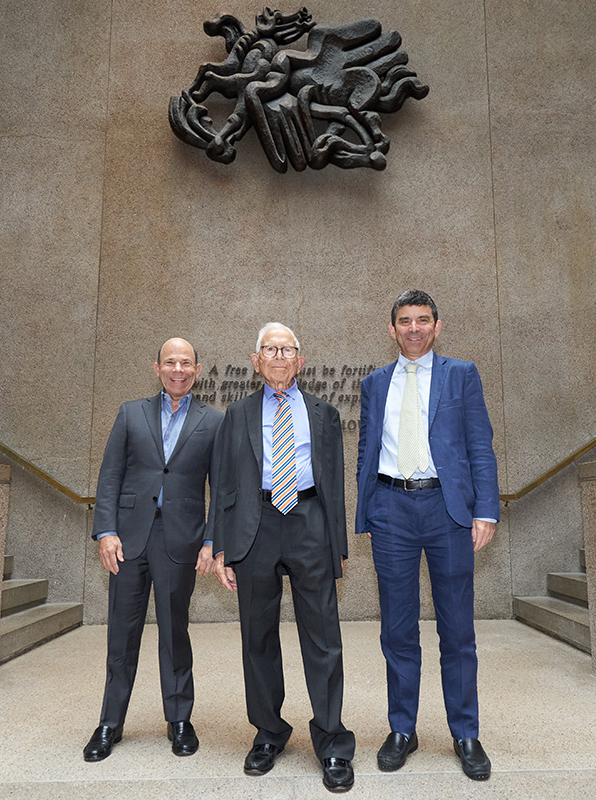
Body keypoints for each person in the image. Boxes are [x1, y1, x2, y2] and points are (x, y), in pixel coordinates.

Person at [354, 290, 499, 781]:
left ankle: (465, 732)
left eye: (422, 320)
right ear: (391, 329)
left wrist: (486, 510)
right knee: (397, 628)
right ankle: (403, 729)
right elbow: (367, 450)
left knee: (457, 629)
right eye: (404, 321)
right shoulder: (374, 383)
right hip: (391, 508)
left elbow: (480, 443)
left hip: (448, 510)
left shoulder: (462, 374)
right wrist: (368, 511)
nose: (413, 328)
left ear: (437, 326)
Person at [210, 322, 356, 793]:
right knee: (257, 636)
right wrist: (220, 546)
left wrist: (338, 546)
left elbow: (335, 484)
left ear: (300, 359)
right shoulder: (236, 414)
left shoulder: (324, 413)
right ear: (255, 360)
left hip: (310, 521)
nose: (277, 356)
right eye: (268, 350)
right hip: (255, 527)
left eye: (286, 350)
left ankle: (332, 742)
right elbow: (223, 484)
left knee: (323, 637)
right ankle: (269, 732)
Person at [83, 338, 223, 763]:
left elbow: (220, 489)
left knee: (174, 631)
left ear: (197, 369)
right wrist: (106, 530)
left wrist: (212, 541)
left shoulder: (214, 421)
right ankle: (110, 721)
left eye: (186, 363)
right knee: (121, 634)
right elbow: (110, 476)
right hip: (127, 539)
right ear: (156, 367)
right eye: (169, 362)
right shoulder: (130, 413)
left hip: (180, 540)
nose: (177, 369)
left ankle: (179, 719)